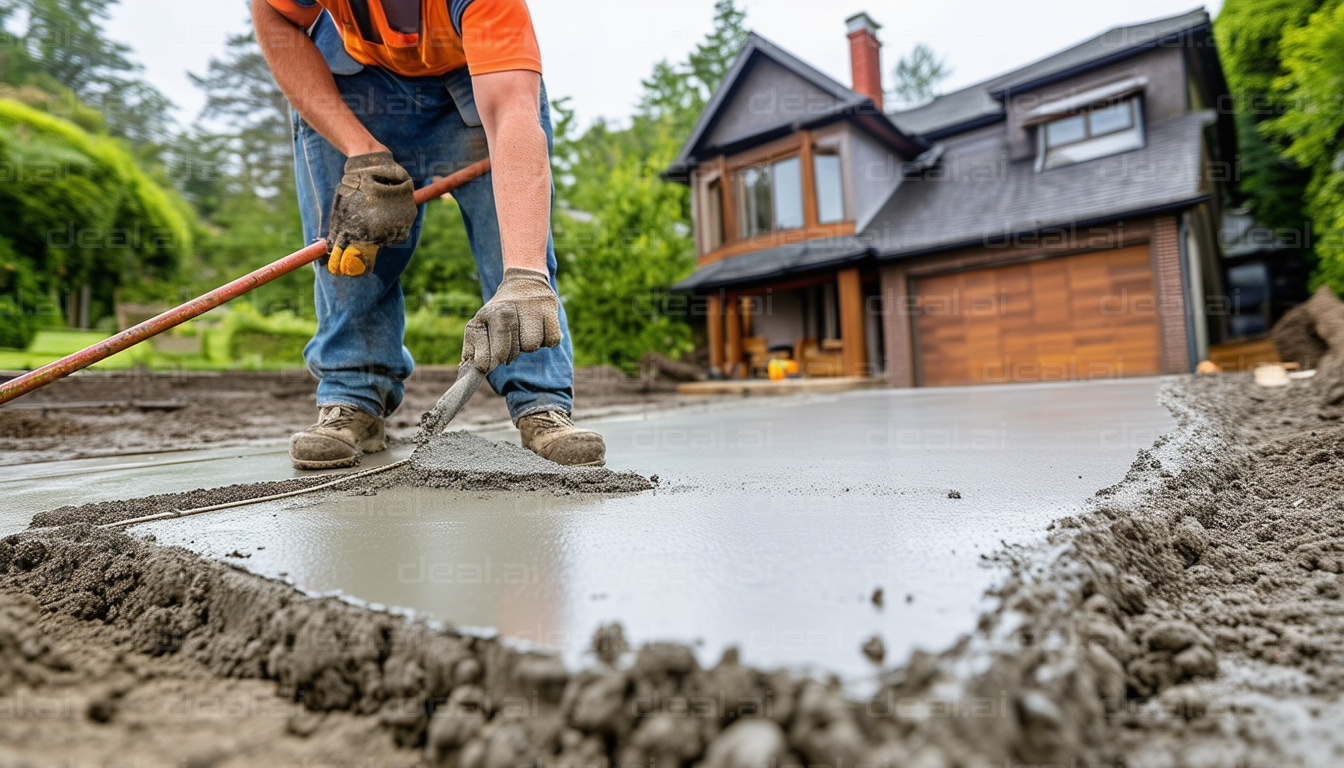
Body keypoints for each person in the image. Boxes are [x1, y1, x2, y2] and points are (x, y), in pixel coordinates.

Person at [251, 0, 605, 469]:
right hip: (356, 85)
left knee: (518, 252)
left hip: (471, 78)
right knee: (352, 247)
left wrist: (525, 274)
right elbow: (274, 17)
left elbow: (512, 110)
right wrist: (361, 151)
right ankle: (353, 398)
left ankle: (541, 404)